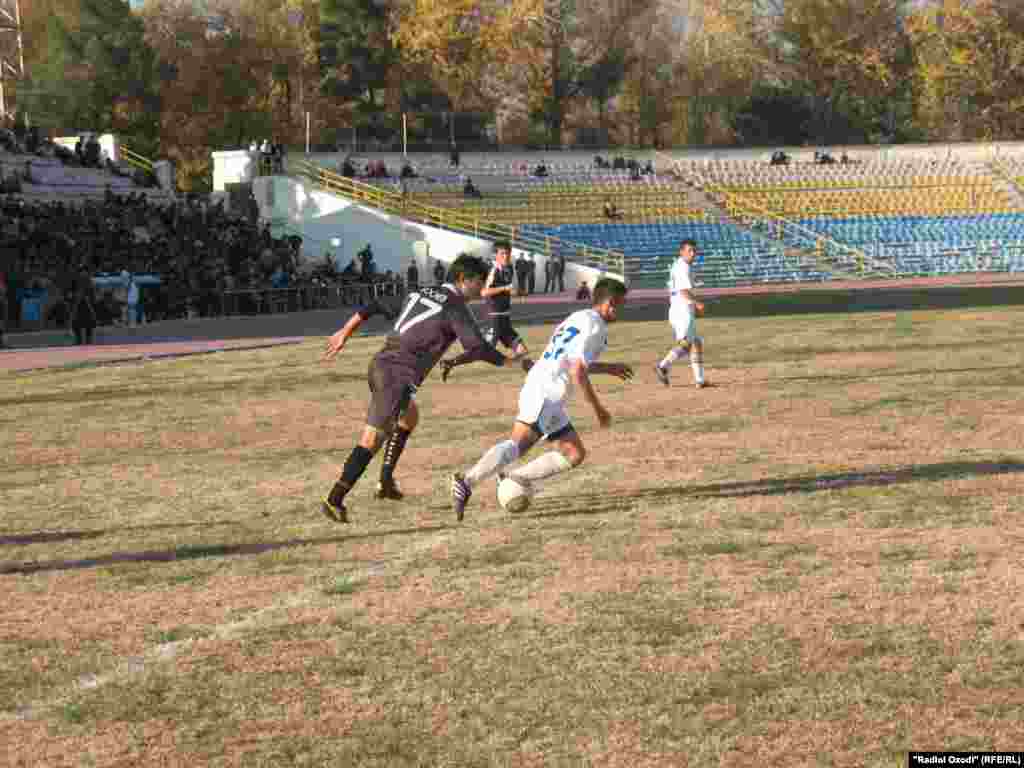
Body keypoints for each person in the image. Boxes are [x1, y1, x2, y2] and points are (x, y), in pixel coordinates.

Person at [319, 254, 513, 522]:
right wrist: (509, 361)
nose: (481, 291)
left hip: (380, 365)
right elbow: (477, 348)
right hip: (397, 376)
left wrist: (344, 332)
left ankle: (385, 481)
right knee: (371, 439)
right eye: (478, 283)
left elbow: (375, 305)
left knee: (409, 416)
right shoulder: (455, 306)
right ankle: (334, 499)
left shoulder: (421, 291)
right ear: (463, 280)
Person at [450, 278, 633, 520]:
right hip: (547, 392)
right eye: (620, 304)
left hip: (548, 390)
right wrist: (598, 409)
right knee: (518, 444)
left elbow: (571, 361)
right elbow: (577, 371)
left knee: (574, 453)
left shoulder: (579, 317)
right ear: (610, 303)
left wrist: (608, 368)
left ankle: (515, 477)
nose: (620, 310)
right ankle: (466, 481)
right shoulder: (596, 326)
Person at [655, 239, 709, 389]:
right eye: (690, 250)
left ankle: (700, 380)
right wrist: (697, 303)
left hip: (680, 308)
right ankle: (663, 366)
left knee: (695, 343)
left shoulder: (679, 265)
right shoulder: (683, 267)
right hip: (682, 309)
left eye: (694, 251)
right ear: (682, 251)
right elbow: (683, 291)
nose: (693, 254)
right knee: (686, 344)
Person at [481, 241, 530, 360]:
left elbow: (506, 289)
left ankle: (514, 366)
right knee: (482, 353)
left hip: (505, 317)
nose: (506, 256)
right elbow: (484, 292)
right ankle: (451, 362)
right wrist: (504, 288)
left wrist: (517, 292)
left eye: (508, 253)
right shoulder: (493, 270)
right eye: (502, 254)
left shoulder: (509, 268)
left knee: (522, 351)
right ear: (495, 255)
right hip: (494, 317)